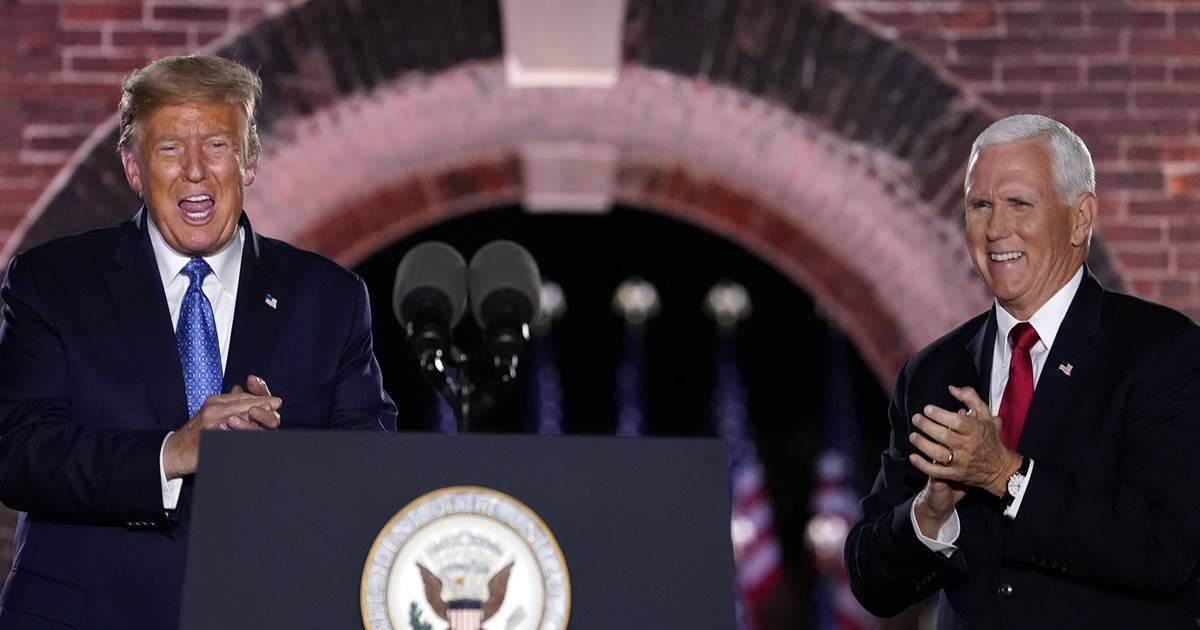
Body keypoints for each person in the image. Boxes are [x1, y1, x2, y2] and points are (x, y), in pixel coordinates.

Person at [0, 55, 397, 628]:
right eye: (168, 149)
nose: (194, 171)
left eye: (216, 146)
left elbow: (371, 469)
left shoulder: (329, 298)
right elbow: (19, 455)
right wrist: (173, 452)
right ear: (133, 168)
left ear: (249, 160)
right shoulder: (53, 282)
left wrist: (282, 457)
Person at [845, 114, 1200, 628]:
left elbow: (1164, 549)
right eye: (980, 206)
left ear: (1080, 219)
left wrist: (1005, 476)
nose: (995, 229)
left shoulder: (1162, 351)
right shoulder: (931, 372)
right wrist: (930, 514)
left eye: (1020, 203)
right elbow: (870, 580)